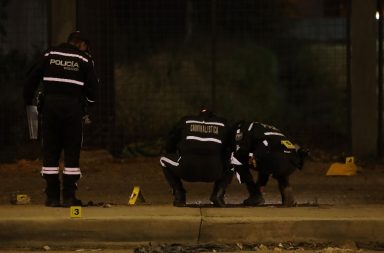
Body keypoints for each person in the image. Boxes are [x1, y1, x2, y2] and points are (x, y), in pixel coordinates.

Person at [23, 31, 98, 207]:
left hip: (50, 108)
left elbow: (31, 80)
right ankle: (70, 197)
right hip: (73, 109)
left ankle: (52, 197)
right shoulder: (85, 60)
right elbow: (94, 93)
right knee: (72, 152)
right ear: (82, 44)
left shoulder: (50, 54)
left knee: (50, 150)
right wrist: (85, 105)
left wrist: (29, 101)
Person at [160, 108, 233, 207]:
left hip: (186, 170)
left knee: (163, 159)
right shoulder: (223, 124)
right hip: (214, 171)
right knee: (233, 161)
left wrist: (178, 151)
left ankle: (179, 195)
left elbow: (169, 145)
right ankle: (218, 194)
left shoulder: (186, 121)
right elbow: (231, 147)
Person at [231, 121, 308, 207]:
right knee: (269, 159)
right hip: (292, 161)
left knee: (236, 159)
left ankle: (255, 194)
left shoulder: (242, 128)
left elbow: (243, 149)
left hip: (273, 159)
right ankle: (287, 191)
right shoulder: (271, 128)